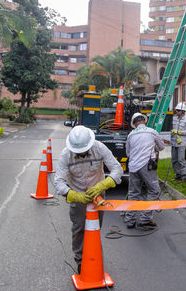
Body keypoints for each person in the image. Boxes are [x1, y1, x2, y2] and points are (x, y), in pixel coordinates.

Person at [54, 125, 123, 273]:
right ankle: (80, 260)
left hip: (98, 196)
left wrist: (103, 185)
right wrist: (74, 195)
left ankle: (94, 257)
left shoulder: (100, 148)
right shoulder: (66, 155)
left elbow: (117, 169)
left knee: (95, 228)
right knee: (79, 228)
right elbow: (58, 182)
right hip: (78, 196)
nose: (81, 153)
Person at [124, 112, 165, 229]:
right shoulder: (152, 132)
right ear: (144, 121)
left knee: (133, 193)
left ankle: (130, 221)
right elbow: (161, 147)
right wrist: (154, 148)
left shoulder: (131, 135)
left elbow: (128, 153)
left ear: (134, 123)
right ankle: (145, 218)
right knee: (154, 190)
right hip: (147, 166)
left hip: (133, 167)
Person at [170, 102, 186, 182]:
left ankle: (184, 176)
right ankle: (178, 175)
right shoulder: (174, 119)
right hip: (174, 143)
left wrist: (179, 132)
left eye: (178, 110)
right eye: (177, 110)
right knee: (174, 160)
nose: (177, 112)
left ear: (183, 112)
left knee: (181, 160)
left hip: (181, 144)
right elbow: (171, 128)